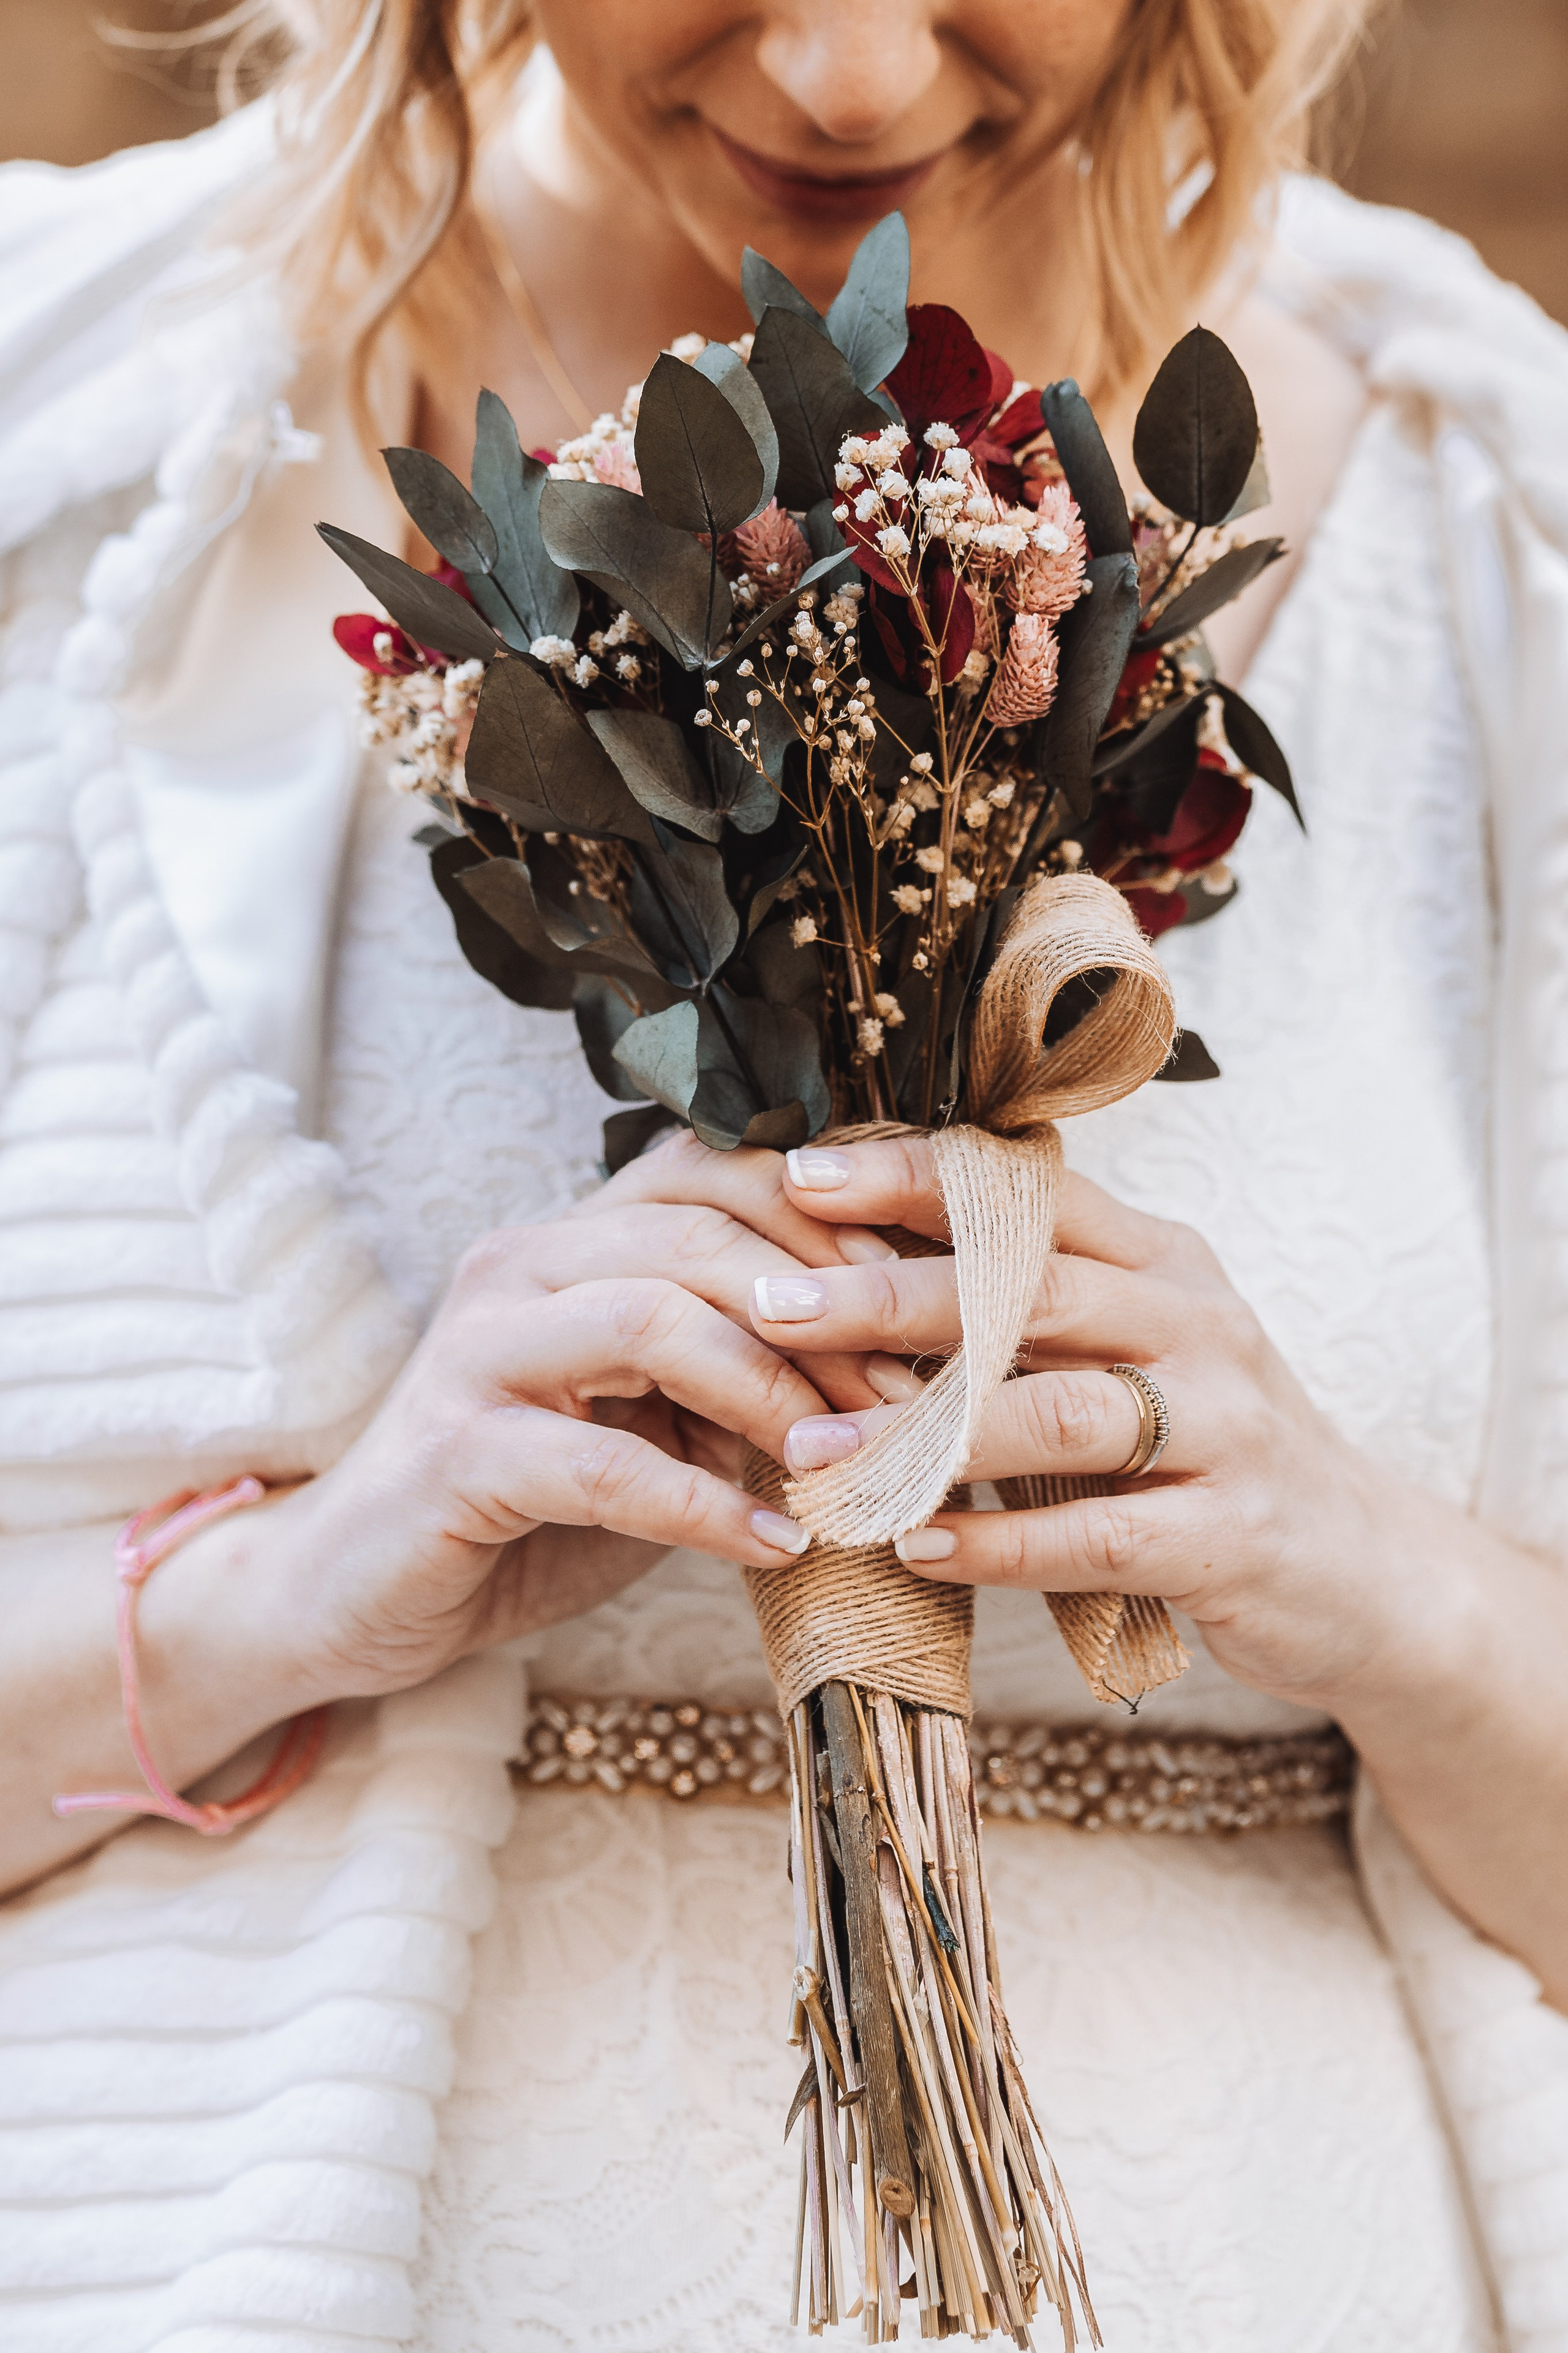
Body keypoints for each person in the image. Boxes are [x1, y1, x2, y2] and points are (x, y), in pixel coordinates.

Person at [1, 4, 1565, 2347]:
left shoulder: (1496, 524)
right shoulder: (69, 433)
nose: (845, 77)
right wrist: (306, 1582)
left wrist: (1368, 1577)